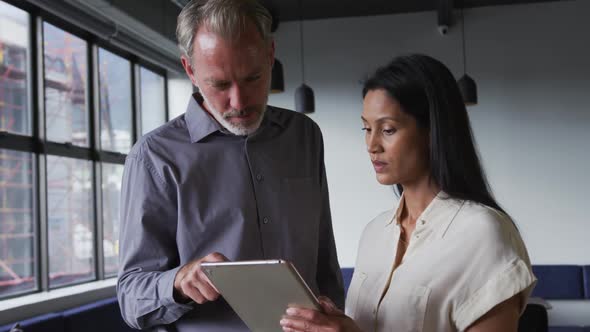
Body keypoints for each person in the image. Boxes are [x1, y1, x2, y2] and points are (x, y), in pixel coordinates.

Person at [116, 0, 344, 330]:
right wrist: (179, 282)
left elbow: (324, 262)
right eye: (220, 85)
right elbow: (131, 297)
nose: (240, 102)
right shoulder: (153, 157)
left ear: (270, 55)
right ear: (190, 70)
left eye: (253, 78)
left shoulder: (304, 136)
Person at [280, 54, 537, 332]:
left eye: (388, 129)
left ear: (433, 130)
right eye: (366, 128)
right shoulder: (374, 234)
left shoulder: (483, 233)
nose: (372, 144)